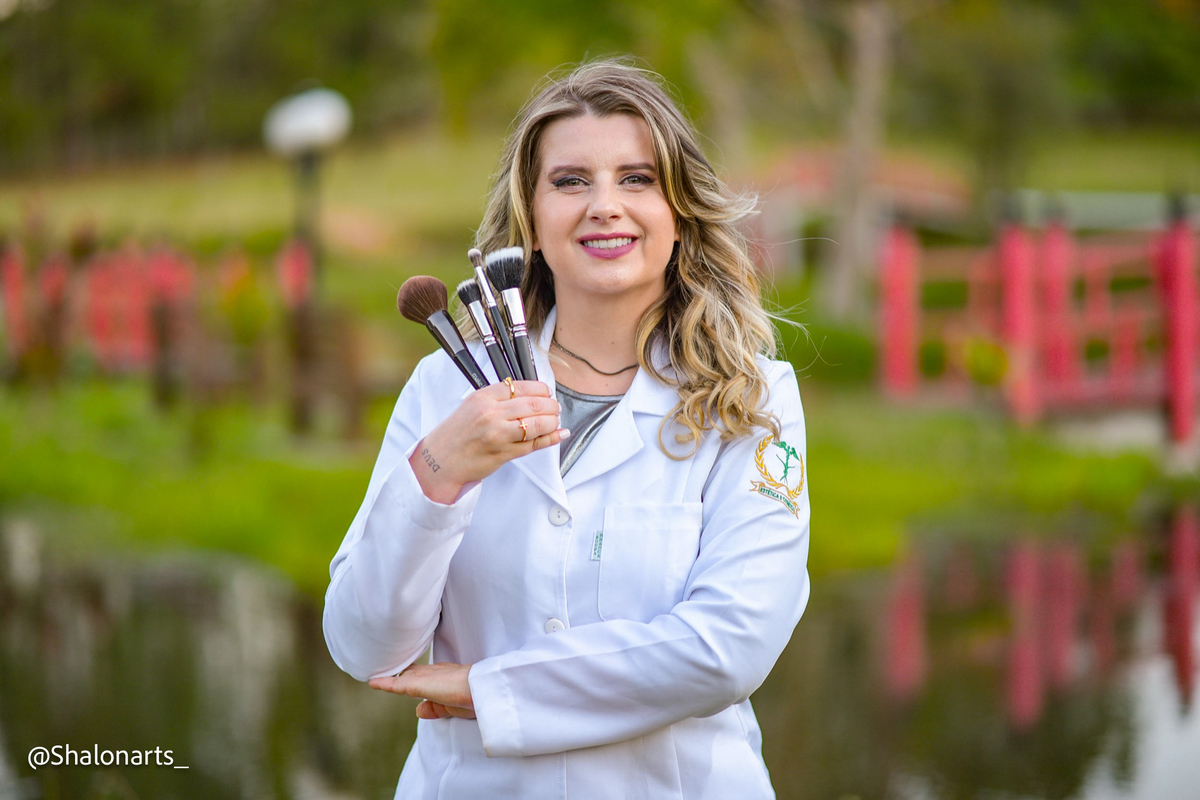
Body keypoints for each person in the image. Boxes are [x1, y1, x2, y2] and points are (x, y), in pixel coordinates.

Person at [323, 58, 810, 799]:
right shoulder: (446, 388)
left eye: (637, 179)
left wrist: (494, 690)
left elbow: (727, 649)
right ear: (532, 218)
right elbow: (364, 645)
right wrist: (441, 470)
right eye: (571, 181)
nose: (604, 206)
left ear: (680, 213)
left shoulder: (755, 398)